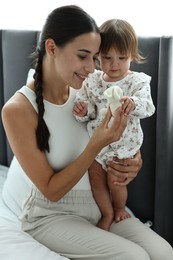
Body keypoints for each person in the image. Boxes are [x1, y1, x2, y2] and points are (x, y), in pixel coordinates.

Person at [1, 5, 173, 260]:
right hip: (51, 215)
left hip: (97, 203)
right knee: (133, 257)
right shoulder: (17, 109)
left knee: (164, 252)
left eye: (95, 58)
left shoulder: (88, 91)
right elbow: (51, 190)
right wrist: (96, 143)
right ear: (51, 48)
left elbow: (117, 143)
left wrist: (133, 162)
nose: (92, 68)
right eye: (83, 56)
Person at [73, 18, 156, 231]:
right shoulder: (93, 81)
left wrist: (133, 103)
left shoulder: (136, 81)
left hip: (123, 145)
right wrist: (83, 111)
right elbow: (89, 108)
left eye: (122, 57)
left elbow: (148, 107)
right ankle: (107, 212)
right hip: (98, 144)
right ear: (98, 56)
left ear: (132, 56)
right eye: (107, 57)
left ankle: (119, 208)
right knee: (96, 176)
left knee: (116, 180)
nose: (114, 64)